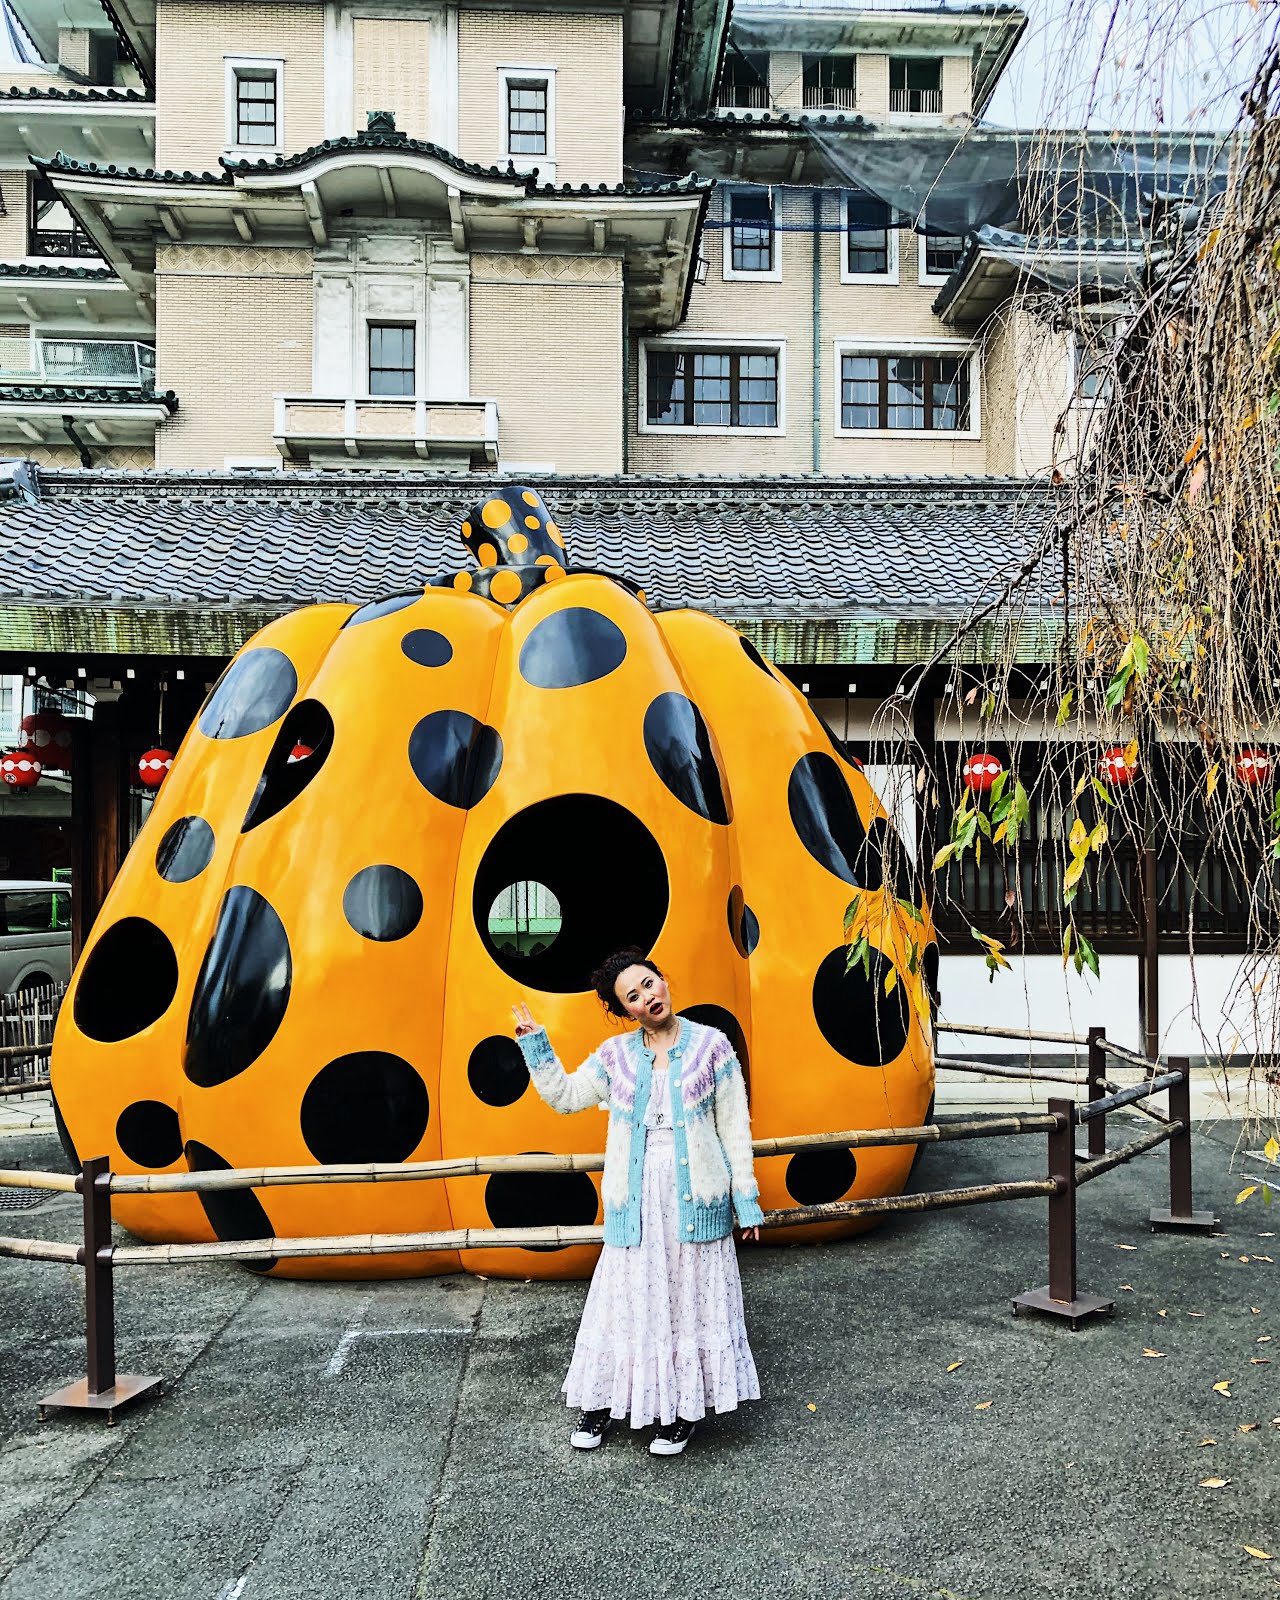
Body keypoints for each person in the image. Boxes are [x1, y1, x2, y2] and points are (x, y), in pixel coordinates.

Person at [512, 947, 763, 1457]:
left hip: (698, 1199)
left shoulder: (713, 1047)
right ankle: (601, 1402)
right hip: (636, 1202)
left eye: (649, 984)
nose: (648, 997)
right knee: (623, 1301)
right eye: (633, 996)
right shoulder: (615, 1057)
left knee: (687, 1304)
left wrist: (747, 1201)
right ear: (623, 1010)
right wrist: (536, 1047)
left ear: (662, 980)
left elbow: (734, 1128)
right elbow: (565, 1096)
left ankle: (680, 1413)